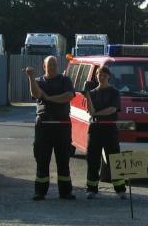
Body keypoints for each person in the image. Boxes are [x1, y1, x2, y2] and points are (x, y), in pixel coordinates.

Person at [24, 56, 75, 201]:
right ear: (44, 66)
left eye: (54, 64)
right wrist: (31, 77)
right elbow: (36, 94)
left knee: (63, 160)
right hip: (44, 125)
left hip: (62, 126)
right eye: (49, 64)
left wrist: (49, 98)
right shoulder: (38, 81)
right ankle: (40, 192)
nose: (52, 67)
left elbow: (68, 95)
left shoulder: (65, 80)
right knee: (42, 160)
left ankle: (65, 192)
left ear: (57, 66)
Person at [84, 66, 127, 199]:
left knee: (114, 158)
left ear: (109, 77)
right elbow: (90, 111)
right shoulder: (92, 93)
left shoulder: (114, 92)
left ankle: (120, 189)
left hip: (109, 128)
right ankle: (91, 189)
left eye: (104, 75)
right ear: (96, 76)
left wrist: (96, 113)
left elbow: (112, 109)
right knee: (93, 159)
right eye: (99, 75)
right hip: (95, 129)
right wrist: (87, 95)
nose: (101, 77)